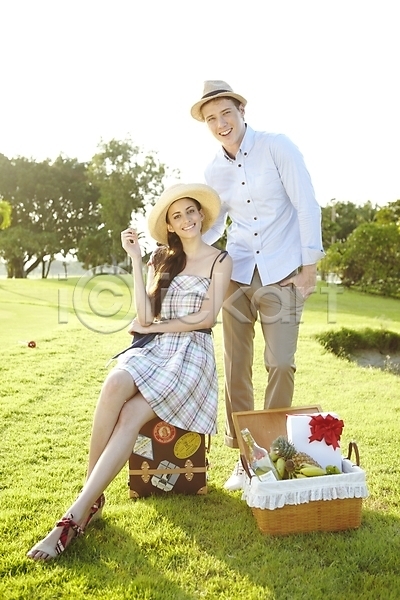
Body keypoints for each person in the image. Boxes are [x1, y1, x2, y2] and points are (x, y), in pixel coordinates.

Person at [27, 183, 232, 561]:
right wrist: (137, 260)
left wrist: (156, 328)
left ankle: (75, 515)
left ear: (201, 214)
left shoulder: (220, 260)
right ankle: (90, 497)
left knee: (131, 415)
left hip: (191, 355)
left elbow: (206, 318)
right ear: (169, 225)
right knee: (114, 383)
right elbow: (144, 316)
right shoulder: (162, 258)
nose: (186, 219)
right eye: (177, 216)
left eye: (191, 211)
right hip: (156, 348)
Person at [190, 80, 325, 491]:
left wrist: (309, 269)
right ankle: (244, 457)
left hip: (282, 273)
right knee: (236, 368)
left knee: (281, 363)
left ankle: (272, 452)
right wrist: (180, 250)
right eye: (211, 119)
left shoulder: (277, 147)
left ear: (241, 111)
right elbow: (213, 225)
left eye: (225, 113)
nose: (220, 123)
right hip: (237, 274)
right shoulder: (213, 171)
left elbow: (307, 205)